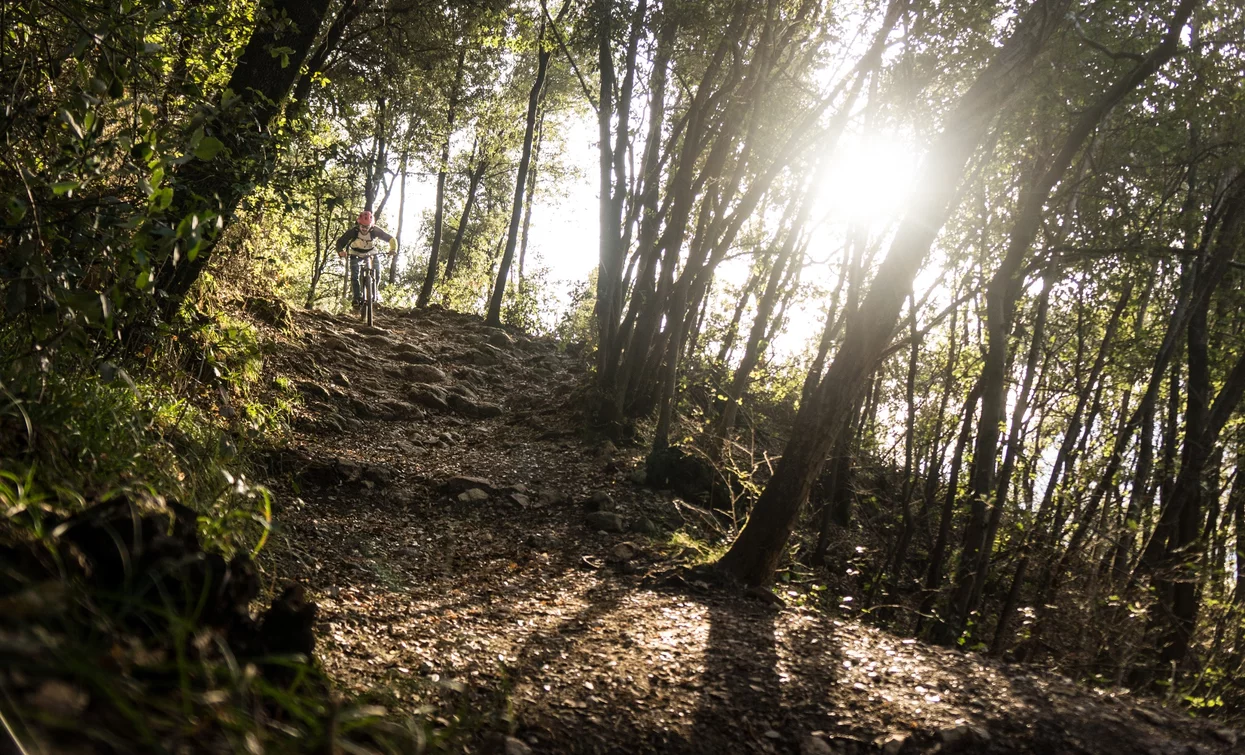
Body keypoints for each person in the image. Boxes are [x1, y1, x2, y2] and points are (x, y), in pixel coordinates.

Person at [335, 211, 397, 310]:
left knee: (377, 273)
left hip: (371, 253)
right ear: (358, 224)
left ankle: (374, 295)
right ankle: (356, 298)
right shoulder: (353, 231)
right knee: (354, 275)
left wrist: (393, 249)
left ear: (371, 226)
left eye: (366, 227)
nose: (364, 229)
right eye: (362, 226)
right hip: (355, 253)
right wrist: (340, 251)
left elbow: (391, 239)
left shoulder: (375, 231)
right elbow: (340, 242)